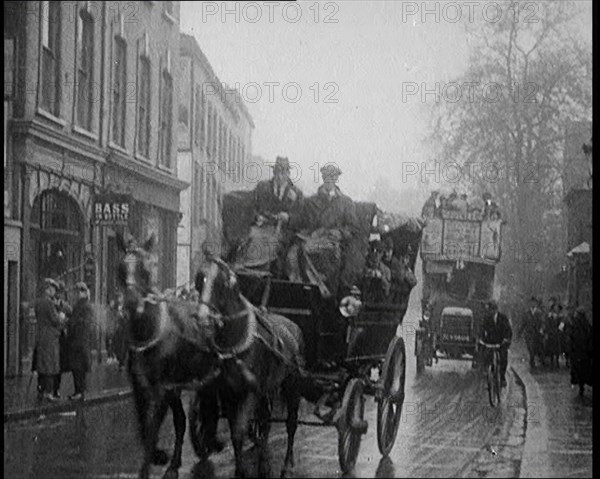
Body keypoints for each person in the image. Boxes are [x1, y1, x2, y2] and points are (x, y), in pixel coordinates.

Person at [300, 164, 360, 297]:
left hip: (334, 244)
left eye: (333, 177)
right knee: (299, 252)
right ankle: (314, 288)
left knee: (331, 258)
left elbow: (353, 228)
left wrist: (339, 233)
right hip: (314, 240)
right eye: (326, 177)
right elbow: (303, 224)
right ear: (322, 177)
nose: (329, 180)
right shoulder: (311, 201)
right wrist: (312, 233)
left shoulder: (345, 203)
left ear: (336, 179)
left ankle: (327, 293)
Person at [239, 156, 304, 275]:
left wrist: (288, 217)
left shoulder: (297, 193)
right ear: (274, 172)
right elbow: (251, 207)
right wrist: (257, 217)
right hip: (261, 228)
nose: (280, 176)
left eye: (283, 173)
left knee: (281, 249)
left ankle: (273, 273)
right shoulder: (262, 187)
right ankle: (248, 269)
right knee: (250, 239)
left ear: (288, 173)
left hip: (284, 232)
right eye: (277, 172)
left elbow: (301, 218)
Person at [34, 278, 68, 402]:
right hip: (50, 338)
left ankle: (41, 390)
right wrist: (61, 317)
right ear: (48, 290)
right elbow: (55, 320)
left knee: (42, 365)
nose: (54, 292)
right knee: (50, 366)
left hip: (41, 337)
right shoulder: (49, 303)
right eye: (52, 289)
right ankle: (48, 392)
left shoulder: (38, 302)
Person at [66, 282, 95, 400]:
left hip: (79, 341)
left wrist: (70, 322)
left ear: (83, 292)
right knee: (77, 368)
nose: (76, 294)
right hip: (78, 341)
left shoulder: (85, 306)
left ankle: (80, 391)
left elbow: (84, 323)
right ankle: (78, 391)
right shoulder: (81, 305)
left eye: (78, 291)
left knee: (78, 368)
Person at [479, 300, 512, 387]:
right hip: (490, 342)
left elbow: (508, 330)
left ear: (496, 310)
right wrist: (482, 339)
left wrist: (506, 339)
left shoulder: (503, 318)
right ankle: (487, 373)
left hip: (501, 342)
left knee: (503, 357)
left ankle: (502, 377)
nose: (491, 312)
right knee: (485, 355)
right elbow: (482, 329)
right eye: (490, 310)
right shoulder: (486, 318)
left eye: (493, 309)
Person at [53, 280, 72, 398]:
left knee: (59, 364)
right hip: (52, 336)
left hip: (60, 337)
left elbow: (70, 313)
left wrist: (65, 320)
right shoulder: (50, 303)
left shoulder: (64, 305)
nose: (59, 295)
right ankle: (47, 388)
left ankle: (56, 388)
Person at [569, 307, 592, 396]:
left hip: (579, 351)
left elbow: (572, 337)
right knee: (582, 369)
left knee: (579, 370)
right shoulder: (586, 325)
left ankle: (581, 385)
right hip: (582, 352)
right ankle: (581, 385)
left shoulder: (577, 325)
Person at [519, 296, 545, 369]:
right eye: (531, 302)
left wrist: (541, 329)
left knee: (537, 347)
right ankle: (532, 360)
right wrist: (520, 333)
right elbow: (523, 323)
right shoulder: (526, 313)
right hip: (529, 333)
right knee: (530, 348)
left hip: (537, 333)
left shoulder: (539, 312)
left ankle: (538, 360)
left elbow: (543, 322)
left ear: (536, 303)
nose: (533, 304)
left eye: (534, 302)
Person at [111, 291, 129, 371]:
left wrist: (123, 315)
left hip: (124, 329)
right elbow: (112, 315)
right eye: (118, 297)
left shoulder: (126, 307)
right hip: (117, 329)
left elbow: (128, 317)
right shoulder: (116, 306)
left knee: (123, 346)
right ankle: (118, 359)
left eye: (120, 297)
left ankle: (122, 363)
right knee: (116, 344)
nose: (119, 299)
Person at [545, 297, 561, 369]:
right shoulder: (549, 315)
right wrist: (548, 332)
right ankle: (552, 362)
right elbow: (547, 324)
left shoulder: (559, 316)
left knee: (557, 349)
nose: (556, 309)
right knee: (551, 349)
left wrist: (559, 329)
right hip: (551, 334)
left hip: (557, 334)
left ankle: (557, 361)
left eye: (556, 308)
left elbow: (561, 323)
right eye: (554, 308)